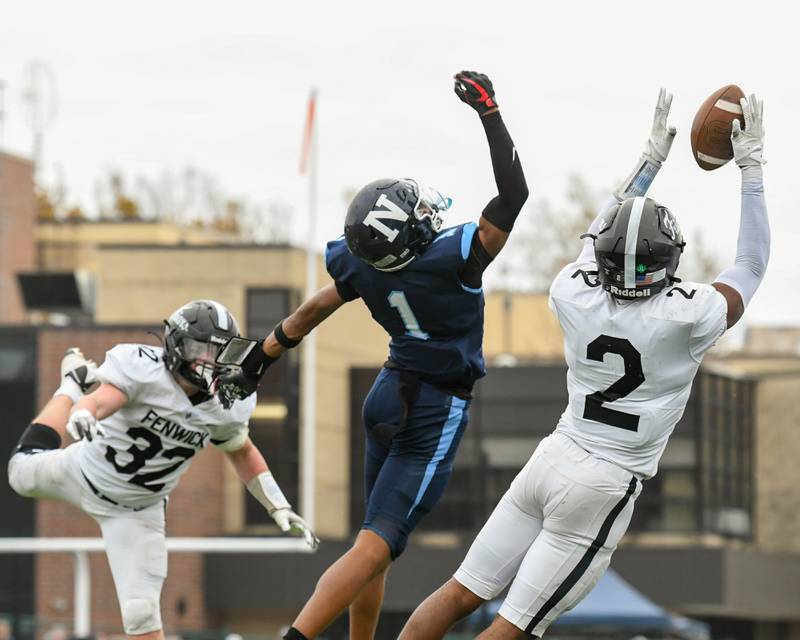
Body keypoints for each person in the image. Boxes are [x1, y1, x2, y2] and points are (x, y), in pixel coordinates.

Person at [399, 89, 769, 640]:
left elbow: (598, 235)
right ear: (669, 260)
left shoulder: (572, 292)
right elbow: (751, 263)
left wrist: (648, 163)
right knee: (514, 626)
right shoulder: (687, 317)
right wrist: (751, 167)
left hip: (551, 459)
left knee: (458, 592)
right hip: (604, 482)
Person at [214, 70, 529, 640]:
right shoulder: (453, 259)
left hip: (385, 395)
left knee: (373, 547)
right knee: (372, 548)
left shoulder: (360, 264)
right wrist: (490, 112)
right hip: (434, 408)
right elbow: (514, 195)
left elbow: (314, 308)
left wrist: (262, 356)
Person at [7, 300, 317, 640]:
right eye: (200, 347)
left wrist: (278, 505)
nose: (206, 360)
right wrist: (83, 410)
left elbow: (241, 451)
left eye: (216, 351)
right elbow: (102, 400)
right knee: (18, 473)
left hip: (138, 511)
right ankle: (70, 384)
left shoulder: (227, 405)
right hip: (83, 471)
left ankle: (74, 385)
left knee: (141, 614)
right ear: (175, 343)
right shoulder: (143, 369)